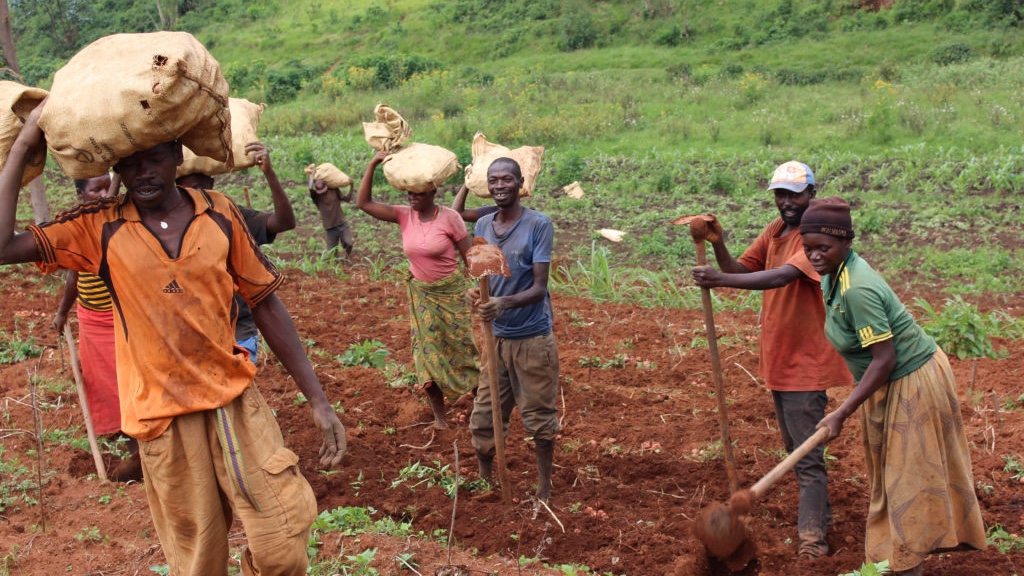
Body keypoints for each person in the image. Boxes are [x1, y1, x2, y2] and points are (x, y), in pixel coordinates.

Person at [0, 103, 346, 576]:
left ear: (177, 156)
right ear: (117, 168)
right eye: (131, 162)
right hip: (162, 414)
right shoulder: (96, 227)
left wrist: (319, 400)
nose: (143, 172)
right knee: (198, 559)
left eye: (154, 158)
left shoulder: (220, 213)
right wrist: (23, 144)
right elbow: (3, 246)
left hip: (234, 401)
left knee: (282, 539)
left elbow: (265, 303)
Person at [801, 197, 986, 575]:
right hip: (890, 381)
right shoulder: (832, 275)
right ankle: (898, 560)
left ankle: (903, 566)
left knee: (908, 480)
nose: (815, 256)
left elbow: (885, 358)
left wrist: (841, 411)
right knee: (893, 475)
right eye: (808, 248)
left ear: (846, 243)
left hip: (911, 379)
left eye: (824, 248)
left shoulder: (857, 289)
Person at [691, 161, 852, 559]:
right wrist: (717, 245)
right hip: (780, 361)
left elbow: (781, 277)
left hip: (806, 363)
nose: (786, 202)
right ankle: (822, 523)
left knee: (806, 459)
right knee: (798, 452)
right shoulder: (775, 231)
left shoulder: (812, 239)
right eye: (780, 194)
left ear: (811, 194)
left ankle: (813, 544)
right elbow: (742, 270)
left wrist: (719, 280)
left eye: (794, 194)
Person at [356, 150, 480, 429]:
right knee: (426, 355)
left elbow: (469, 257)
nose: (412, 198)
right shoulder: (403, 216)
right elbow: (363, 203)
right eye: (409, 193)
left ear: (432, 192)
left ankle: (482, 405)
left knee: (462, 350)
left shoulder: (450, 218)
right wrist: (373, 163)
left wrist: (481, 288)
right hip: (422, 296)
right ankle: (440, 418)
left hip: (451, 294)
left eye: (419, 194)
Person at [467, 157, 559, 502]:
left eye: (507, 179)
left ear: (521, 183)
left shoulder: (538, 225)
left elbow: (539, 288)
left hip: (532, 339)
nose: (500, 186)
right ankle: (486, 481)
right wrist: (476, 295)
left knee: (539, 418)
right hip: (496, 340)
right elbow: (484, 278)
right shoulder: (484, 225)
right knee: (485, 416)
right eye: (493, 180)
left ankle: (544, 489)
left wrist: (502, 305)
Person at [53, 172, 143, 482]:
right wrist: (62, 312)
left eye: (108, 185)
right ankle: (123, 439)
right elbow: (73, 276)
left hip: (125, 316)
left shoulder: (123, 218)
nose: (104, 193)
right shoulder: (80, 228)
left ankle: (139, 443)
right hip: (92, 317)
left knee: (133, 377)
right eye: (96, 189)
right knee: (103, 379)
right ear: (81, 194)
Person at [176, 141, 296, 364]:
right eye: (185, 191)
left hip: (239, 331)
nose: (194, 196)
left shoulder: (231, 217)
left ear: (211, 184)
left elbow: (284, 221)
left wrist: (269, 173)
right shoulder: (166, 229)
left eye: (200, 188)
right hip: (193, 333)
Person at [309, 168, 354, 261]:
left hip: (341, 223)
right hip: (329, 227)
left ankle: (347, 258)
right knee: (332, 254)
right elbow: (310, 188)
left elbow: (347, 199)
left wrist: (352, 186)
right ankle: (337, 264)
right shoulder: (316, 197)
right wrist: (312, 175)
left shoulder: (334, 190)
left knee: (349, 243)